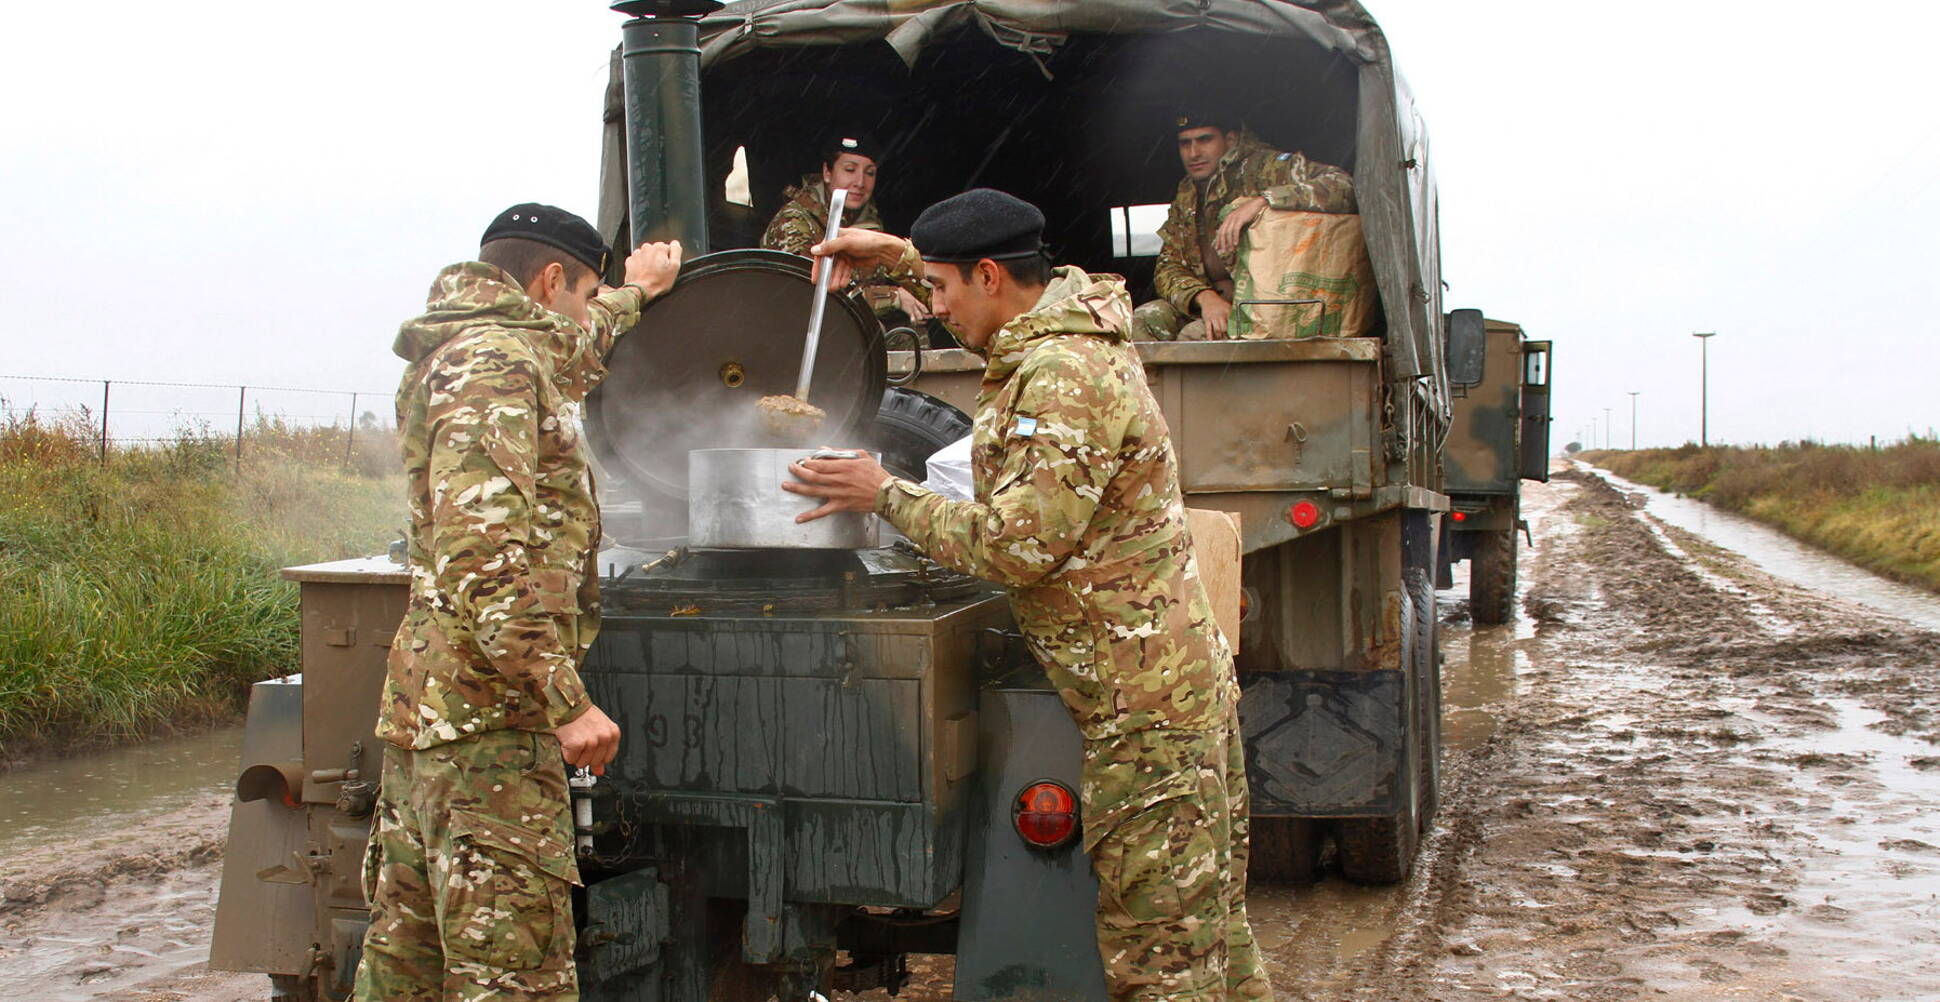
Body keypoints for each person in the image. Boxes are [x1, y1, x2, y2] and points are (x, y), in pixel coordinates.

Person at [784, 189, 1271, 1002]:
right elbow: (979, 295)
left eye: (941, 289)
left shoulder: (1061, 374)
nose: (935, 310)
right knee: (1211, 930)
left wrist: (885, 493)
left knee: (1162, 956)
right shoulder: (1057, 325)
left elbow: (1019, 545)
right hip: (1164, 689)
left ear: (988, 275)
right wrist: (899, 256)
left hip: (1143, 712)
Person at [355, 203, 682, 1002]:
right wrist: (564, 700)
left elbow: (568, 348)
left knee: (411, 974)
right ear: (548, 280)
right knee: (513, 978)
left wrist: (631, 294)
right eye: (584, 292)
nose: (583, 312)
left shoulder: (488, 345)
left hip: (441, 720)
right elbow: (483, 556)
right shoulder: (495, 368)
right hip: (489, 735)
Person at [1134, 109, 1356, 341]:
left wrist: (1263, 201)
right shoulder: (1188, 193)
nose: (1194, 153)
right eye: (1185, 143)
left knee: (1195, 338)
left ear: (1230, 140)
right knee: (1142, 322)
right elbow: (1168, 266)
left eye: (1205, 140)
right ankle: (1155, 379)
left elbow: (1343, 185)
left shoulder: (1265, 168)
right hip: (1209, 302)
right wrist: (1205, 297)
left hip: (1264, 304)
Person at [761, 132, 934, 336]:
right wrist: (894, 297)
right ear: (827, 172)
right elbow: (810, 294)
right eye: (850, 170)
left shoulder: (868, 222)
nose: (860, 182)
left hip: (850, 327)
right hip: (796, 331)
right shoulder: (793, 221)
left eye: (870, 173)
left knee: (909, 332)